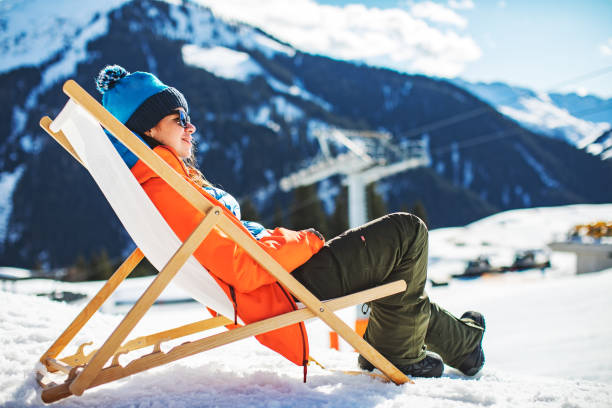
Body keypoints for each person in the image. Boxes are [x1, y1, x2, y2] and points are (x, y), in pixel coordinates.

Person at [95, 65, 485, 379]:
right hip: (281, 283)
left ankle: (463, 343)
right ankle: (400, 351)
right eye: (180, 118)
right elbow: (243, 268)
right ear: (147, 128)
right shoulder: (166, 188)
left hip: (280, 275)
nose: (190, 127)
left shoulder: (164, 180)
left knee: (394, 270)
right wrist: (303, 241)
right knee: (408, 232)